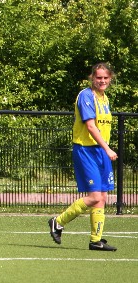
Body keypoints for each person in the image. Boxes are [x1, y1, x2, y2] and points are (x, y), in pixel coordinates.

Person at [49, 63, 118, 251]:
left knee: (102, 196)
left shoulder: (104, 98)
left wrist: (105, 150)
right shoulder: (86, 96)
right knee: (94, 196)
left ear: (110, 79)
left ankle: (96, 240)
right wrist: (108, 149)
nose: (102, 81)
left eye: (105, 78)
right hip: (86, 150)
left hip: (100, 151)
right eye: (98, 77)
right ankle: (58, 222)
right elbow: (90, 126)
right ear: (92, 78)